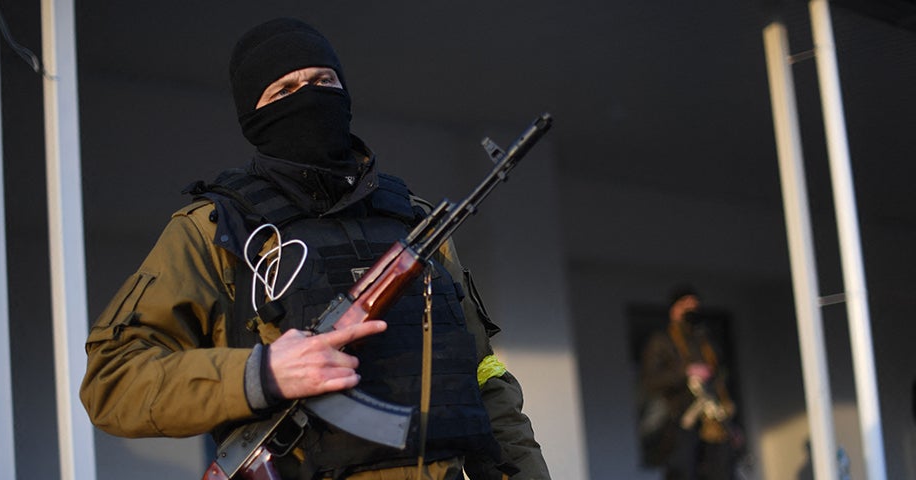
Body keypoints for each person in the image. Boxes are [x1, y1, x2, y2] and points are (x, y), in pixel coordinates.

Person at [79, 17, 550, 480]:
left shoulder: (416, 224)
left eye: (324, 80)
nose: (309, 96)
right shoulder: (218, 230)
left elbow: (484, 378)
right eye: (283, 90)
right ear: (253, 116)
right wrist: (261, 374)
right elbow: (112, 382)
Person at [639, 286, 740, 480]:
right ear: (674, 310)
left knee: (722, 472)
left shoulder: (706, 342)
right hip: (681, 420)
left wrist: (731, 424)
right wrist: (685, 372)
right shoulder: (662, 341)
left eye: (695, 305)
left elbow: (721, 383)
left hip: (714, 422)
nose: (691, 310)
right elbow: (650, 381)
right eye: (685, 305)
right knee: (683, 472)